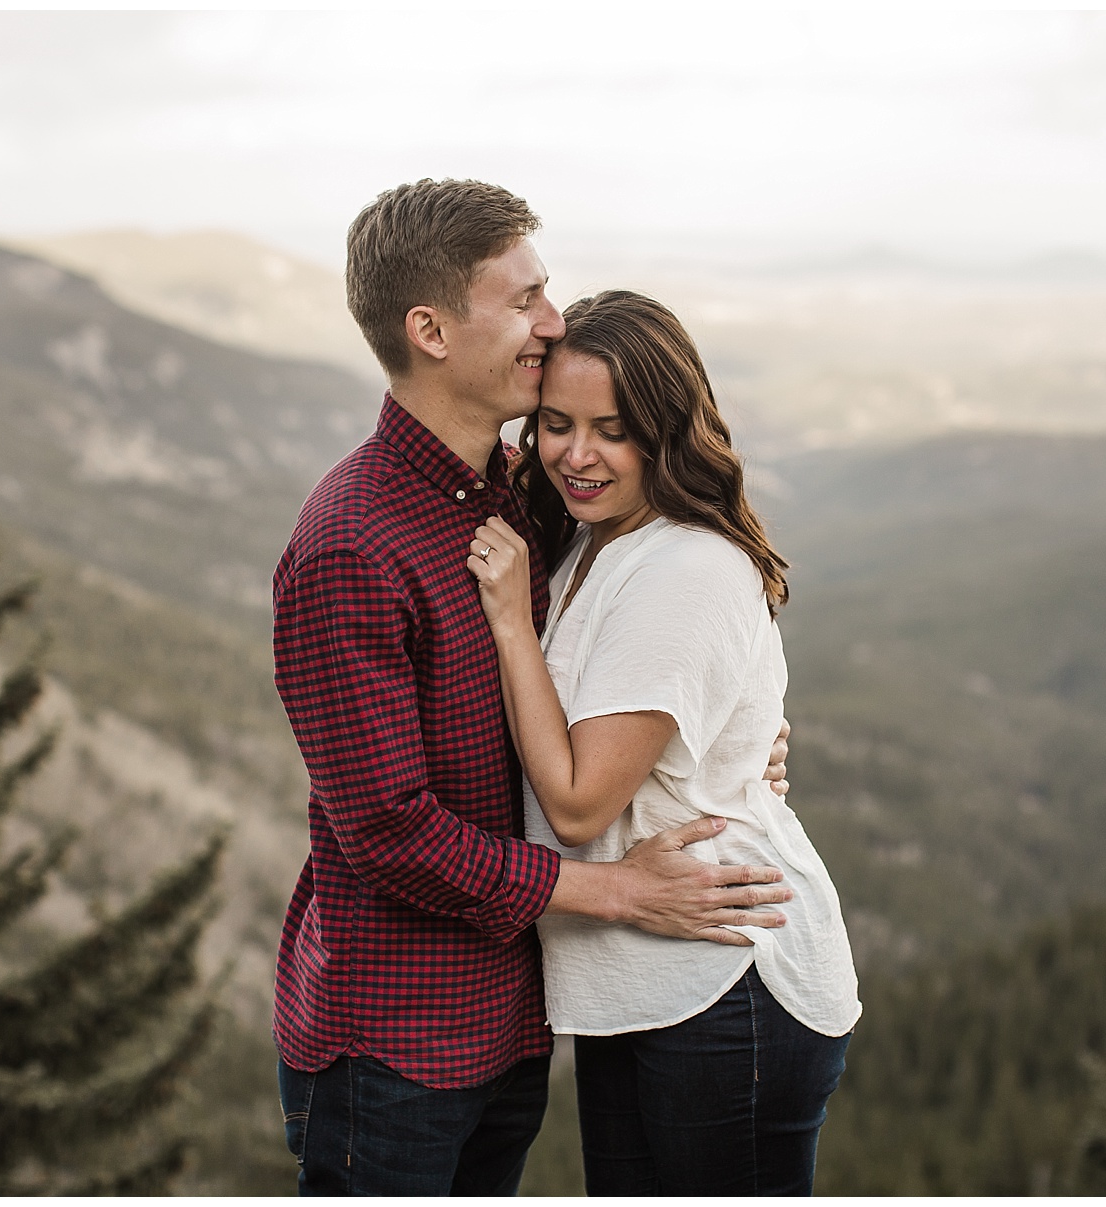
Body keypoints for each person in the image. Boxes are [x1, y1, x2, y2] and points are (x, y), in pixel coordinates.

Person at [270, 180, 796, 1196]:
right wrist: (617, 888)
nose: (550, 324)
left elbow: (650, 632)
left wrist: (735, 736)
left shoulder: (524, 488)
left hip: (512, 1023)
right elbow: (391, 833)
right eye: (524, 301)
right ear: (428, 330)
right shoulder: (350, 545)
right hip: (393, 1049)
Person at [466, 289, 861, 1196]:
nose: (577, 453)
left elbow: (576, 803)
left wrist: (510, 623)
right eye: (556, 424)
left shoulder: (681, 563)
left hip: (725, 983)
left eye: (612, 428)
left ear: (666, 430)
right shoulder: (596, 542)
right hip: (641, 976)